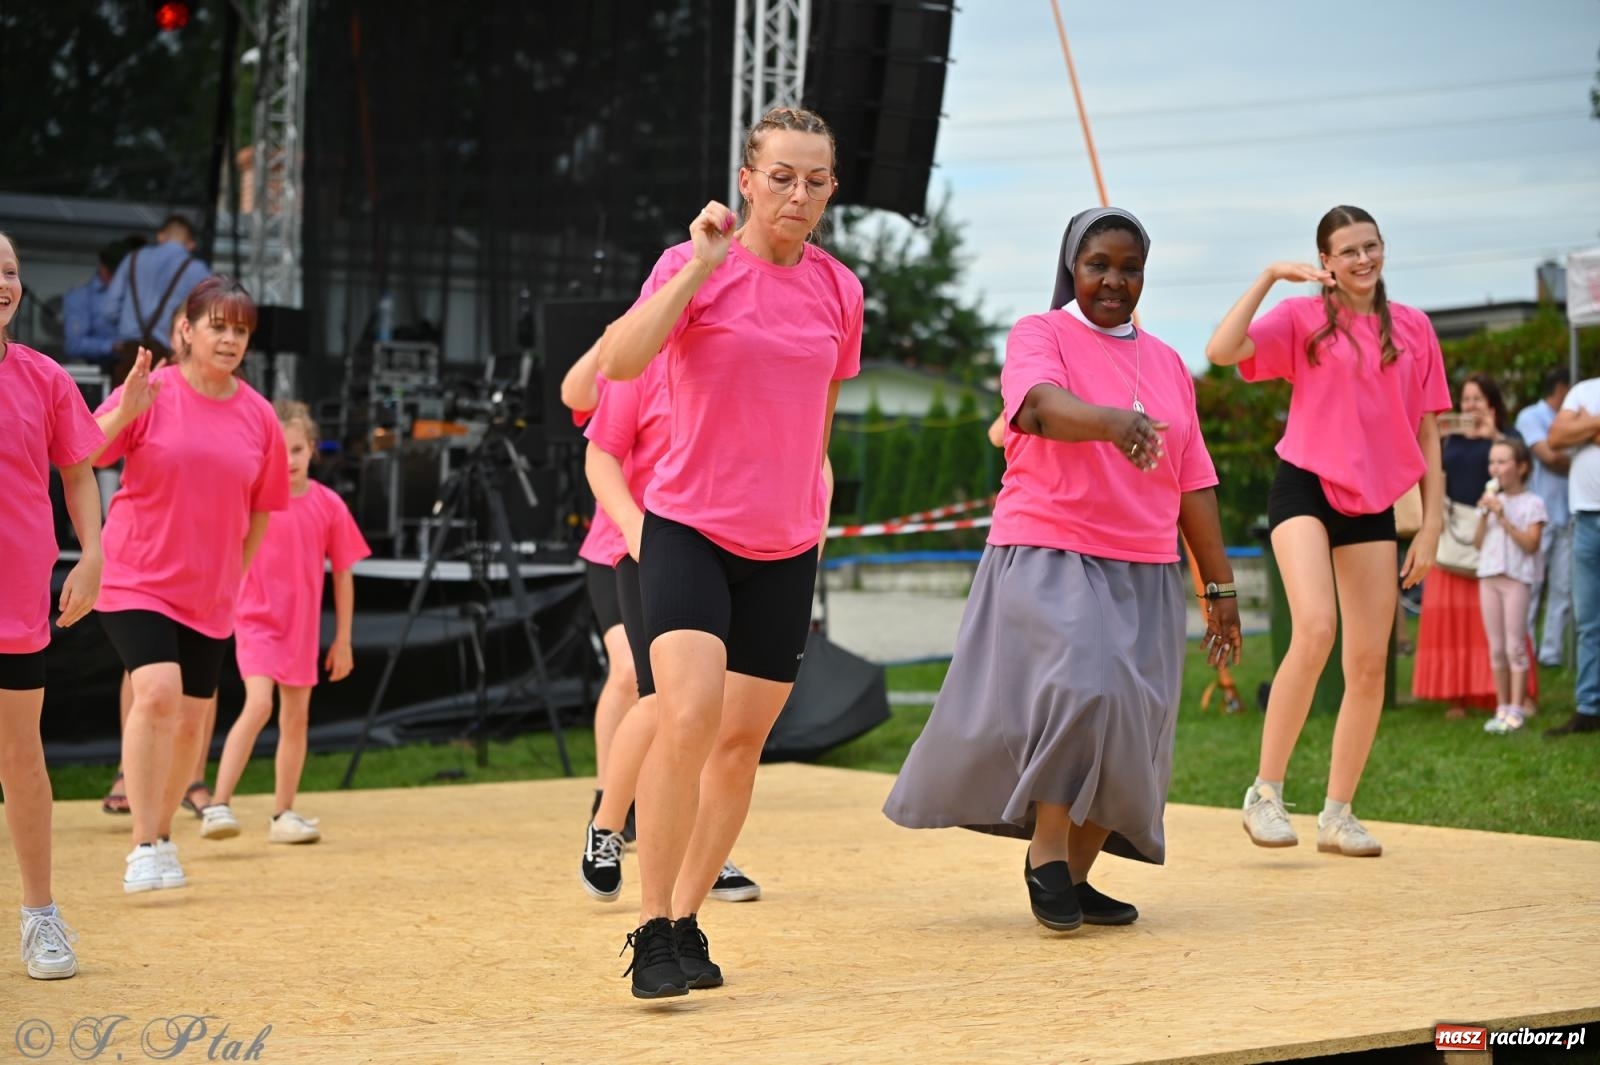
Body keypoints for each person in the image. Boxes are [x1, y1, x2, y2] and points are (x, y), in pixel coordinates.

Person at [886, 207, 1238, 930]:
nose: (1113, 279)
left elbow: (1194, 482)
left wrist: (1220, 585)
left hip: (1145, 561)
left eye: (1129, 267)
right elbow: (1039, 409)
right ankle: (1045, 851)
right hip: (1051, 546)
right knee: (1087, 686)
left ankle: (1074, 876)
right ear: (1071, 268)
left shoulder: (1170, 364)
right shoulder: (1038, 335)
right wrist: (1114, 422)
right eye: (1098, 264)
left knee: (1137, 721)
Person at [595, 106, 861, 997]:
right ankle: (649, 926)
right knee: (688, 713)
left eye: (815, 179)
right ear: (746, 179)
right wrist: (696, 271)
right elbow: (622, 365)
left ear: (831, 187)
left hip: (785, 543)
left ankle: (688, 918)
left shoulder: (839, 288)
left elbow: (822, 403)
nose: (798, 193)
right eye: (781, 175)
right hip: (687, 528)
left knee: (742, 744)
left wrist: (813, 492)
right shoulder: (692, 262)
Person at [1205, 205, 1450, 857]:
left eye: (1372, 246)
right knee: (1314, 627)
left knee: (1369, 661)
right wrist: (1267, 278)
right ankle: (1264, 793)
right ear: (1327, 262)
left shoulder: (1417, 328)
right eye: (1348, 251)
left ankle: (1338, 814)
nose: (1363, 259)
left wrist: (1431, 525)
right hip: (1306, 483)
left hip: (1373, 498)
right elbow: (1221, 350)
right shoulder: (1304, 316)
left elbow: (1427, 429)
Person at [90, 276, 289, 893]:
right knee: (156, 693)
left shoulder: (260, 417)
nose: (229, 339)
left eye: (240, 331)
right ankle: (144, 844)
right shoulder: (152, 392)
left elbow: (262, 509)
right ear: (187, 330)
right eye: (218, 326)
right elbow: (84, 451)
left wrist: (234, 572)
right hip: (135, 576)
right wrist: (126, 408)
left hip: (209, 594)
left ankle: (163, 836)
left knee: (190, 723)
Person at [0, 232, 105, 978]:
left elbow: (79, 471)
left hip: (16, 606)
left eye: (7, 270)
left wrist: (92, 554)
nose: (2, 282)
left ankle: (41, 917)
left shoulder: (42, 377)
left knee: (21, 757)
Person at [202, 402, 370, 843]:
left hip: (302, 628)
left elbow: (345, 573)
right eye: (279, 449)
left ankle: (283, 814)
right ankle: (217, 805)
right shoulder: (252, 500)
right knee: (259, 704)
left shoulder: (329, 505)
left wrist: (344, 640)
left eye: (297, 449)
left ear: (312, 450)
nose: (289, 459)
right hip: (254, 619)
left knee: (297, 719)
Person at [560, 342, 643, 853]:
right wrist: (609, 340)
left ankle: (652, 802)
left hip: (680, 550)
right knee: (629, 672)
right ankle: (606, 799)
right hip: (612, 547)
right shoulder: (628, 372)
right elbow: (573, 392)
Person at [1416, 373, 1537, 717]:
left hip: (1497, 533)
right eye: (1465, 399)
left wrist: (1493, 436)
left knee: (1504, 622)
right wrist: (1436, 439)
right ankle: (1458, 694)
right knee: (1453, 624)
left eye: (1477, 399)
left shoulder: (1508, 437)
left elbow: (1522, 469)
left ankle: (1516, 693)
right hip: (1454, 536)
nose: (1470, 406)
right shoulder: (1448, 438)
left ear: (1492, 403)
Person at [1474, 438, 1547, 733]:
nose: (1496, 468)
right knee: (1496, 647)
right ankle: (1501, 706)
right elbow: (1478, 543)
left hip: (1517, 579)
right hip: (1489, 576)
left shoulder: (1534, 503)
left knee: (1515, 644)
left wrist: (1503, 518)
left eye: (1503, 461)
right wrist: (1484, 514)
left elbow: (1531, 544)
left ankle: (1517, 707)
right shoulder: (1493, 500)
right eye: (1493, 462)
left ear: (1521, 467)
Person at [1543, 376, 1600, 736]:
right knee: (1588, 621)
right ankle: (1588, 707)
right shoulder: (1583, 390)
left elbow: (1569, 433)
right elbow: (1556, 438)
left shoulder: (1583, 401)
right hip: (1586, 522)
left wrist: (1585, 423)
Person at [103, 215, 211, 381]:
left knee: (124, 404)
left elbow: (109, 310)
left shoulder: (132, 259)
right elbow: (206, 318)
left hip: (129, 354)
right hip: (170, 356)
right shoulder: (197, 270)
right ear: (191, 245)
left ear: (161, 236)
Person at [1515, 368, 1573, 667]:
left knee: (1562, 589)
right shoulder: (1531, 416)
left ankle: (1550, 655)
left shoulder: (1571, 419)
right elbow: (1548, 457)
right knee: (1532, 586)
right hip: (1537, 516)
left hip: (1566, 515)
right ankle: (1524, 650)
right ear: (1561, 389)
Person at [62, 237, 141, 364]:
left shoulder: (136, 295)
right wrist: (113, 346)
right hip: (100, 372)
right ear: (105, 270)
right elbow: (74, 345)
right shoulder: (80, 297)